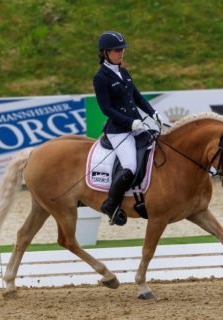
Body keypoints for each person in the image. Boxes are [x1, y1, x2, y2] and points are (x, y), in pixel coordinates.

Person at [93, 31, 163, 226]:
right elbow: (106, 108)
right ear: (105, 52)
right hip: (119, 131)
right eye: (117, 50)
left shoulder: (123, 72)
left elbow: (138, 97)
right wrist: (129, 122)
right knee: (130, 166)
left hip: (137, 126)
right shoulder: (101, 78)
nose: (121, 53)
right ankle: (111, 204)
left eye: (122, 50)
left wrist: (152, 112)